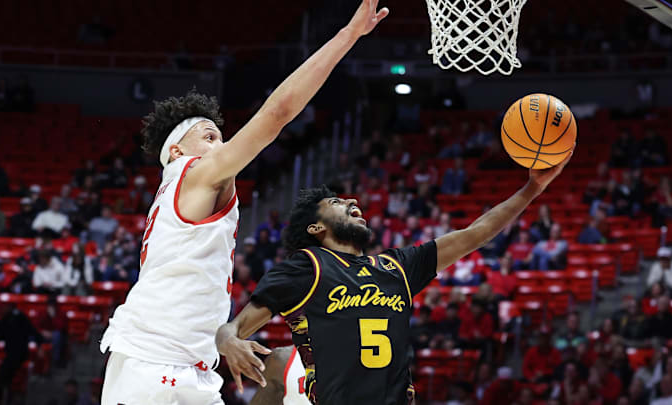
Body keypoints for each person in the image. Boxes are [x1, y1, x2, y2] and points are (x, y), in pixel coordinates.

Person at [99, 3, 390, 404]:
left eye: (221, 135)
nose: (220, 143)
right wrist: (348, 36)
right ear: (178, 148)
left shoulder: (177, 189)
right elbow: (279, 112)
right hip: (156, 363)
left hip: (187, 365)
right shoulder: (195, 172)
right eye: (208, 135)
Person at [216, 150, 572, 403]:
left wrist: (532, 189)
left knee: (281, 361)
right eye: (338, 203)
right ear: (316, 227)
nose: (353, 201)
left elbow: (475, 232)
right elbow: (233, 329)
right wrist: (228, 340)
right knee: (279, 361)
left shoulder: (396, 267)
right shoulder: (308, 265)